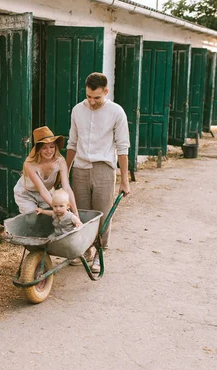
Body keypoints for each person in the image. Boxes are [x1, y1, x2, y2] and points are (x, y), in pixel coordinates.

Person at [66, 72, 131, 272]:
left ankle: (99, 253)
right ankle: (85, 250)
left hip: (104, 168)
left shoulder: (117, 112)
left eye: (97, 98)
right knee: (82, 213)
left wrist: (124, 180)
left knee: (102, 215)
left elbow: (123, 147)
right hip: (80, 168)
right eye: (88, 97)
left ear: (106, 92)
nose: (92, 102)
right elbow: (72, 143)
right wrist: (64, 175)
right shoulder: (78, 110)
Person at [14, 126, 78, 216]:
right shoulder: (30, 164)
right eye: (44, 148)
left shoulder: (60, 161)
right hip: (27, 194)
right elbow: (42, 189)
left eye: (52, 147)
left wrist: (75, 213)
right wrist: (60, 211)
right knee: (32, 218)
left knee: (48, 219)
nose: (49, 151)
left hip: (47, 192)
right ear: (38, 149)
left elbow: (66, 188)